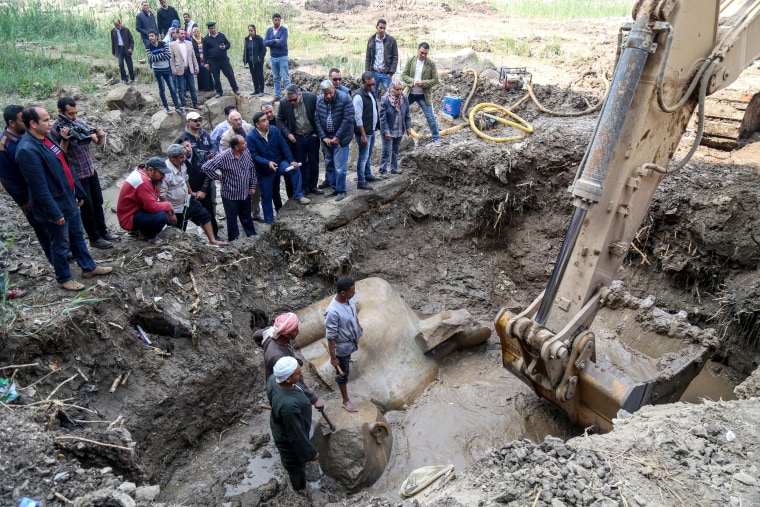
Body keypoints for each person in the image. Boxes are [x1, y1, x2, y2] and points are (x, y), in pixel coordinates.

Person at [15, 106, 113, 291]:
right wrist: (54, 213)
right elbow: (39, 188)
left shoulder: (47, 139)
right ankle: (63, 277)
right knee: (60, 243)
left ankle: (88, 267)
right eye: (45, 120)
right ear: (32, 124)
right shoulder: (27, 150)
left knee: (77, 236)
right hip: (55, 205)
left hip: (68, 198)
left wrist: (77, 192)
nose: (50, 122)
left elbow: (62, 166)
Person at [51, 97, 119, 250]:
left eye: (75, 112)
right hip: (76, 175)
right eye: (70, 114)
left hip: (90, 170)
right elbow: (57, 156)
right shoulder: (54, 130)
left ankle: (103, 232)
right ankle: (94, 237)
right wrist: (65, 139)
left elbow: (98, 143)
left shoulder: (79, 122)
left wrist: (101, 135)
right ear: (60, 112)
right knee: (86, 207)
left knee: (98, 202)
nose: (74, 116)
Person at [0, 105, 52, 261]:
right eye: (23, 119)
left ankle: (63, 251)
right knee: (42, 226)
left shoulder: (30, 135)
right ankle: (54, 258)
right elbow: (6, 178)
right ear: (12, 123)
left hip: (45, 187)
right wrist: (23, 200)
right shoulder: (4, 146)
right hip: (29, 193)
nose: (28, 122)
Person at [246, 112, 310, 225]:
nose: (267, 122)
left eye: (267, 119)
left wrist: (291, 160)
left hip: (279, 163)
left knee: (294, 168)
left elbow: (283, 146)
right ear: (257, 124)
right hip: (264, 171)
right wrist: (267, 162)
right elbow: (254, 156)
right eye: (264, 121)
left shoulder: (274, 130)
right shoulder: (251, 137)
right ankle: (269, 221)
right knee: (266, 197)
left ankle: (298, 195)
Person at [266, 356, 320, 490]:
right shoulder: (288, 407)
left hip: (284, 424)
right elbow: (296, 435)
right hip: (289, 440)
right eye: (298, 373)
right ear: (288, 379)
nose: (301, 373)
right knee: (296, 467)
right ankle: (299, 489)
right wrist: (310, 453)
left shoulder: (273, 379)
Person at [255, 312, 324, 410]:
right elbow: (295, 380)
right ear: (286, 334)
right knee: (296, 408)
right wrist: (314, 399)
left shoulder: (271, 333)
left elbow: (256, 335)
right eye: (295, 329)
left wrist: (263, 345)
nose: (298, 331)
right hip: (283, 389)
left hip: (282, 379)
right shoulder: (277, 356)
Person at [161, 144, 227, 246]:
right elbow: (162, 195)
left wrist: (191, 193)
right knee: (178, 230)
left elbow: (186, 179)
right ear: (172, 158)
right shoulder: (165, 172)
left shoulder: (182, 165)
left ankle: (212, 240)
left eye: (184, 157)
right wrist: (170, 213)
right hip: (174, 207)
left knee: (204, 215)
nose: (184, 159)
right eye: (181, 157)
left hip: (186, 200)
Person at [202, 135, 257, 240]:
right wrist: (219, 177)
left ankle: (251, 235)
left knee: (246, 216)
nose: (246, 144)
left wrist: (252, 185)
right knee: (232, 219)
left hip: (245, 192)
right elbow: (206, 168)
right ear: (236, 147)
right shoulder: (223, 157)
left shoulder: (246, 152)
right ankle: (233, 240)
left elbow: (251, 169)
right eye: (243, 143)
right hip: (230, 195)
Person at [324, 276, 362, 412]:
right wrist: (334, 357)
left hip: (350, 341)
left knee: (347, 357)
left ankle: (347, 358)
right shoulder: (332, 312)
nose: (354, 293)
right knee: (342, 374)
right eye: (352, 291)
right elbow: (331, 337)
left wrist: (358, 326)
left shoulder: (349, 300)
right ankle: (345, 401)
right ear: (342, 293)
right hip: (342, 346)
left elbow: (353, 315)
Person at [117, 157, 175, 245]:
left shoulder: (143, 174)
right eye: (161, 173)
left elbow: (154, 196)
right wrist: (168, 205)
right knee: (162, 216)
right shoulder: (143, 182)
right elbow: (151, 207)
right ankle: (148, 236)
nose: (164, 176)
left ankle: (139, 231)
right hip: (128, 218)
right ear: (151, 170)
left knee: (162, 208)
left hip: (133, 212)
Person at [277, 85, 322, 196]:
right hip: (297, 138)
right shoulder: (284, 103)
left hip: (312, 136)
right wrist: (288, 134)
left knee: (314, 162)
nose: (292, 102)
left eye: (294, 100)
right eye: (290, 100)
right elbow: (279, 120)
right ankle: (304, 187)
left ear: (299, 94)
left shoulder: (311, 97)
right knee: (301, 163)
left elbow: (319, 114)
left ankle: (313, 186)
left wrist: (317, 132)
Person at [315, 79, 354, 201]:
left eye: (330, 93)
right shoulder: (320, 99)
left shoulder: (344, 98)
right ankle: (334, 188)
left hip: (340, 139)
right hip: (327, 138)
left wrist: (337, 137)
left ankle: (342, 190)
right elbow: (317, 119)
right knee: (329, 164)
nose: (328, 95)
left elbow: (348, 119)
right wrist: (323, 136)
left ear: (334, 89)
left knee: (340, 167)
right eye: (325, 93)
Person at [177, 138, 219, 240]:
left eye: (188, 145)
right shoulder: (179, 160)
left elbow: (209, 174)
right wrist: (191, 193)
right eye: (184, 147)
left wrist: (203, 190)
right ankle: (180, 238)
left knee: (209, 214)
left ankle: (214, 236)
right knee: (185, 216)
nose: (187, 149)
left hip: (204, 190)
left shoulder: (201, 154)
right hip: (188, 193)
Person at [401, 42, 441, 147]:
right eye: (421, 52)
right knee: (399, 111)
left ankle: (436, 138)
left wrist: (423, 83)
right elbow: (403, 76)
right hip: (410, 93)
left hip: (424, 95)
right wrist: (413, 82)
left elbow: (435, 80)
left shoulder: (431, 64)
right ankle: (397, 134)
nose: (423, 55)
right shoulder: (411, 61)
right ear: (418, 50)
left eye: (425, 54)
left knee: (430, 117)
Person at [352, 72, 380, 190]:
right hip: (364, 132)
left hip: (371, 130)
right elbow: (357, 118)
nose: (371, 87)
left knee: (368, 154)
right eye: (369, 85)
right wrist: (363, 135)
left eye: (373, 84)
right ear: (362, 83)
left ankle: (367, 175)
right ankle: (361, 180)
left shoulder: (370, 93)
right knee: (363, 156)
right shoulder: (358, 97)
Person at [378, 80, 412, 177]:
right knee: (386, 150)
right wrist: (386, 131)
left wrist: (408, 127)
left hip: (399, 128)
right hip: (388, 129)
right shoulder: (385, 99)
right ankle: (383, 170)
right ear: (392, 89)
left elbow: (407, 114)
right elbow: (382, 118)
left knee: (396, 150)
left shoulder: (404, 98)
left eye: (401, 89)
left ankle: (394, 168)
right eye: (397, 89)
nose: (400, 92)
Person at [261, 102, 291, 209]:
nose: (269, 115)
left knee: (289, 180)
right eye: (266, 113)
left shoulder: (280, 120)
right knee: (275, 187)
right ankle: (278, 209)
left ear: (273, 110)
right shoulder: (260, 124)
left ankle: (292, 203)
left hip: (284, 157)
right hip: (271, 160)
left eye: (270, 111)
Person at [147, 30, 182, 114]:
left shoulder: (163, 44)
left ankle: (177, 107)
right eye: (149, 36)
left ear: (156, 36)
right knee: (162, 89)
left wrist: (157, 56)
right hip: (158, 71)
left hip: (167, 69)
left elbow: (168, 55)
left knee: (173, 89)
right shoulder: (148, 46)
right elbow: (151, 58)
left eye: (152, 36)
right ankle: (166, 107)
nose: (150, 38)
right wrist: (162, 54)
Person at [202, 22, 240, 98]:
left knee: (230, 75)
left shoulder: (221, 35)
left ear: (215, 27)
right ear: (208, 29)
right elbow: (204, 51)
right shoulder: (206, 39)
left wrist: (224, 47)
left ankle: (235, 89)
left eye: (213, 28)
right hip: (213, 61)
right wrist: (205, 62)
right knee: (216, 77)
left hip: (224, 60)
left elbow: (228, 44)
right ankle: (219, 92)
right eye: (210, 28)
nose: (212, 30)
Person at [364, 19, 398, 97]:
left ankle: (389, 109)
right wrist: (367, 73)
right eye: (380, 27)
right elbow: (368, 57)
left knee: (390, 94)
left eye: (384, 28)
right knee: (372, 95)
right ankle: (374, 109)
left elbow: (395, 57)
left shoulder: (391, 40)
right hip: (374, 73)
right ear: (376, 27)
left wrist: (391, 72)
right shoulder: (371, 40)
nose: (382, 30)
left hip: (385, 73)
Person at [170, 27, 199, 109]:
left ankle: (195, 103)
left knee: (192, 87)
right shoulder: (172, 45)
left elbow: (193, 56)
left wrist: (196, 66)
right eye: (181, 33)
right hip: (179, 69)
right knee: (181, 88)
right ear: (177, 34)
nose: (183, 35)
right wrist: (173, 69)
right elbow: (171, 59)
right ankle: (184, 104)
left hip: (189, 68)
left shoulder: (189, 43)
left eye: (184, 33)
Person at [264, 13, 290, 101]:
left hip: (282, 57)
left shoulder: (284, 30)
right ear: (272, 20)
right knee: (275, 78)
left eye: (279, 20)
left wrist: (271, 43)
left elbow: (282, 43)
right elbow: (265, 43)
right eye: (275, 20)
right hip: (273, 57)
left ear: (280, 20)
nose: (277, 22)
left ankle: (288, 96)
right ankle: (277, 95)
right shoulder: (269, 31)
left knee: (285, 77)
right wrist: (275, 40)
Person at [111, 19, 135, 84]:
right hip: (119, 49)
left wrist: (131, 48)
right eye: (116, 25)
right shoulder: (113, 31)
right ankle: (124, 79)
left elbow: (131, 40)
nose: (117, 26)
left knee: (129, 65)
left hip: (126, 49)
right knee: (120, 64)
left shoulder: (126, 30)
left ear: (120, 23)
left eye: (118, 25)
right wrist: (114, 52)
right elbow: (113, 42)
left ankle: (132, 78)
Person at [244, 24, 266, 96]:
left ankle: (261, 90)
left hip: (258, 61)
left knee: (260, 75)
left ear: (255, 31)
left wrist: (260, 57)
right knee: (253, 75)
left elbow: (263, 49)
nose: (250, 32)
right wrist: (245, 59)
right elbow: (245, 49)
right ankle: (256, 89)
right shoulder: (247, 39)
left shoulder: (259, 39)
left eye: (252, 30)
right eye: (249, 30)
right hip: (251, 61)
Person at [191, 26, 214, 92]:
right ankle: (201, 87)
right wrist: (199, 56)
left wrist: (205, 56)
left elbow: (207, 48)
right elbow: (193, 51)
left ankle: (209, 87)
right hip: (198, 59)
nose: (196, 33)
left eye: (197, 31)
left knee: (206, 71)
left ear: (199, 32)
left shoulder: (203, 40)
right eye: (194, 32)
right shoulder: (192, 41)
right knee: (200, 73)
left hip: (205, 58)